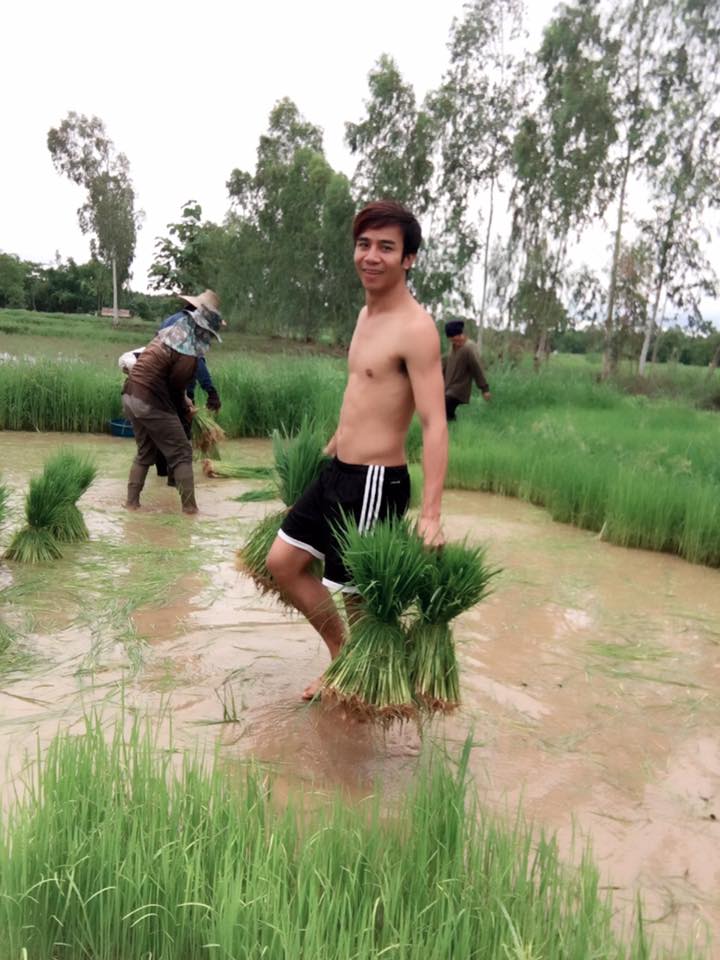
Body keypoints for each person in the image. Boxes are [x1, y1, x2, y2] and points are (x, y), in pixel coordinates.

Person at [265, 200, 448, 701]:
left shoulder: (416, 328)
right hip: (339, 469)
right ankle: (344, 657)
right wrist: (336, 439)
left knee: (357, 599)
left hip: (374, 481)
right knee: (282, 562)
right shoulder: (365, 314)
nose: (371, 256)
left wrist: (431, 514)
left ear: (408, 258)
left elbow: (434, 424)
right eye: (364, 244)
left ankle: (362, 689)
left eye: (386, 247)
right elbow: (366, 392)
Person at [121, 290, 224, 514]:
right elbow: (175, 388)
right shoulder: (187, 350)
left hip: (130, 395)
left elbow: (167, 380)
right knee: (182, 453)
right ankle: (190, 510)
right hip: (150, 400)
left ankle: (131, 504)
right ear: (203, 328)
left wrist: (185, 402)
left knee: (145, 453)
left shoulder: (171, 332)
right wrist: (185, 409)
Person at [442, 319, 491, 421]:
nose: (456, 343)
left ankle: (451, 425)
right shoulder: (453, 347)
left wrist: (484, 389)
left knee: (445, 406)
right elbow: (446, 365)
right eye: (452, 341)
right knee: (445, 412)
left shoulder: (469, 347)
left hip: (459, 389)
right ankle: (454, 427)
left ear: (461, 334)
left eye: (457, 340)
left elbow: (477, 368)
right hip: (448, 387)